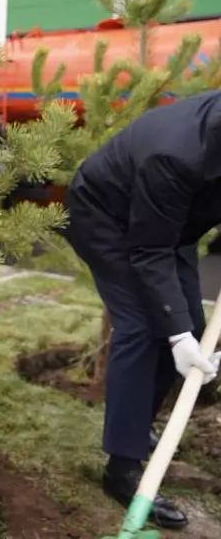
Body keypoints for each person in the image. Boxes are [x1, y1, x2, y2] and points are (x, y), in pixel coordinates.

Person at [63, 89, 221, 531]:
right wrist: (176, 335)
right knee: (146, 329)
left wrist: (183, 332)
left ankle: (136, 427)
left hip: (170, 224)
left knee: (190, 327)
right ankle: (124, 468)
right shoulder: (176, 154)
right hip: (107, 217)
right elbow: (150, 251)